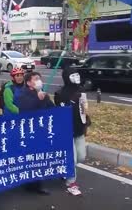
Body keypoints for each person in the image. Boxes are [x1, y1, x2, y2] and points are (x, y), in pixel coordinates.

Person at [16, 71, 54, 195]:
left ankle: (37, 183)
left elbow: (52, 109)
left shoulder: (43, 94)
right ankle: (28, 182)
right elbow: (26, 110)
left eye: (40, 78)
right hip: (28, 131)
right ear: (28, 83)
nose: (39, 81)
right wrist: (38, 99)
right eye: (36, 79)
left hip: (42, 130)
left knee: (39, 158)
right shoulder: (22, 94)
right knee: (30, 157)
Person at [54, 68, 90, 196]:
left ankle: (65, 169)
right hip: (66, 131)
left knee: (81, 157)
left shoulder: (81, 91)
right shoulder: (59, 93)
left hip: (79, 129)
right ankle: (71, 183)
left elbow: (85, 109)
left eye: (77, 74)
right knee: (72, 160)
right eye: (73, 75)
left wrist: (86, 124)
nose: (77, 77)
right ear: (67, 77)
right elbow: (57, 112)